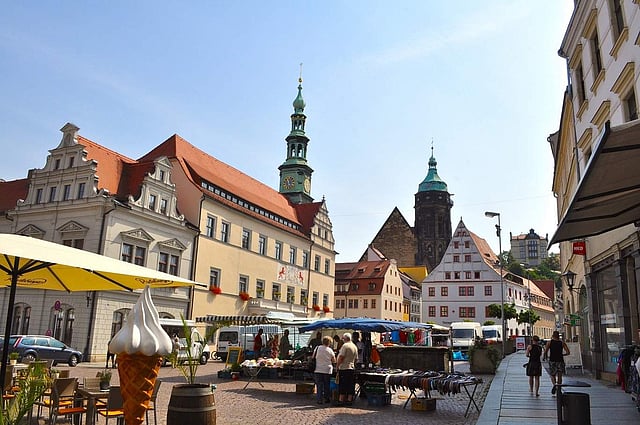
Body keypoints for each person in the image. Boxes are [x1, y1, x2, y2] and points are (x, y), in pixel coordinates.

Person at [544, 330, 570, 395]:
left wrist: (545, 357)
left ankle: (554, 385)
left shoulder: (549, 342)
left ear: (553, 336)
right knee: (560, 375)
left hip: (552, 360)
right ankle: (559, 388)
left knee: (552, 374)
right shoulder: (562, 343)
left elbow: (546, 351)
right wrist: (562, 355)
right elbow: (568, 352)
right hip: (560, 360)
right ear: (558, 336)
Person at [336, 332, 358, 406]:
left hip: (344, 367)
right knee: (350, 384)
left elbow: (341, 357)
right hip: (351, 368)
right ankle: (349, 400)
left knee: (343, 384)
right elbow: (356, 359)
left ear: (345, 339)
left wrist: (337, 366)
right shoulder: (354, 346)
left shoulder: (345, 346)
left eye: (342, 338)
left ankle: (341, 400)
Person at [313, 336, 336, 405]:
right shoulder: (330, 350)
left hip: (318, 369)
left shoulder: (317, 348)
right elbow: (334, 360)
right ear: (329, 343)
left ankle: (319, 399)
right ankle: (326, 398)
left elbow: (313, 357)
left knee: (319, 385)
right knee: (327, 385)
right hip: (327, 369)